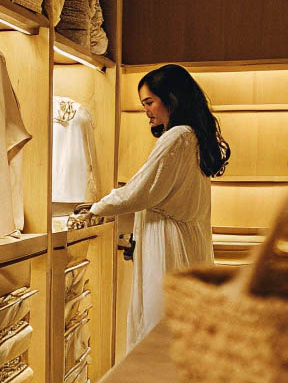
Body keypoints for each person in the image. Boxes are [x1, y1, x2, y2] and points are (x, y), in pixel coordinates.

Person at [76, 64, 230, 351]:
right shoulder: (194, 136)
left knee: (161, 324)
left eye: (150, 102)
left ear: (171, 99)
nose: (146, 111)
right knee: (181, 326)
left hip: (167, 242)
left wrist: (96, 208)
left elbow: (141, 189)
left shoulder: (177, 137)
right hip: (185, 239)